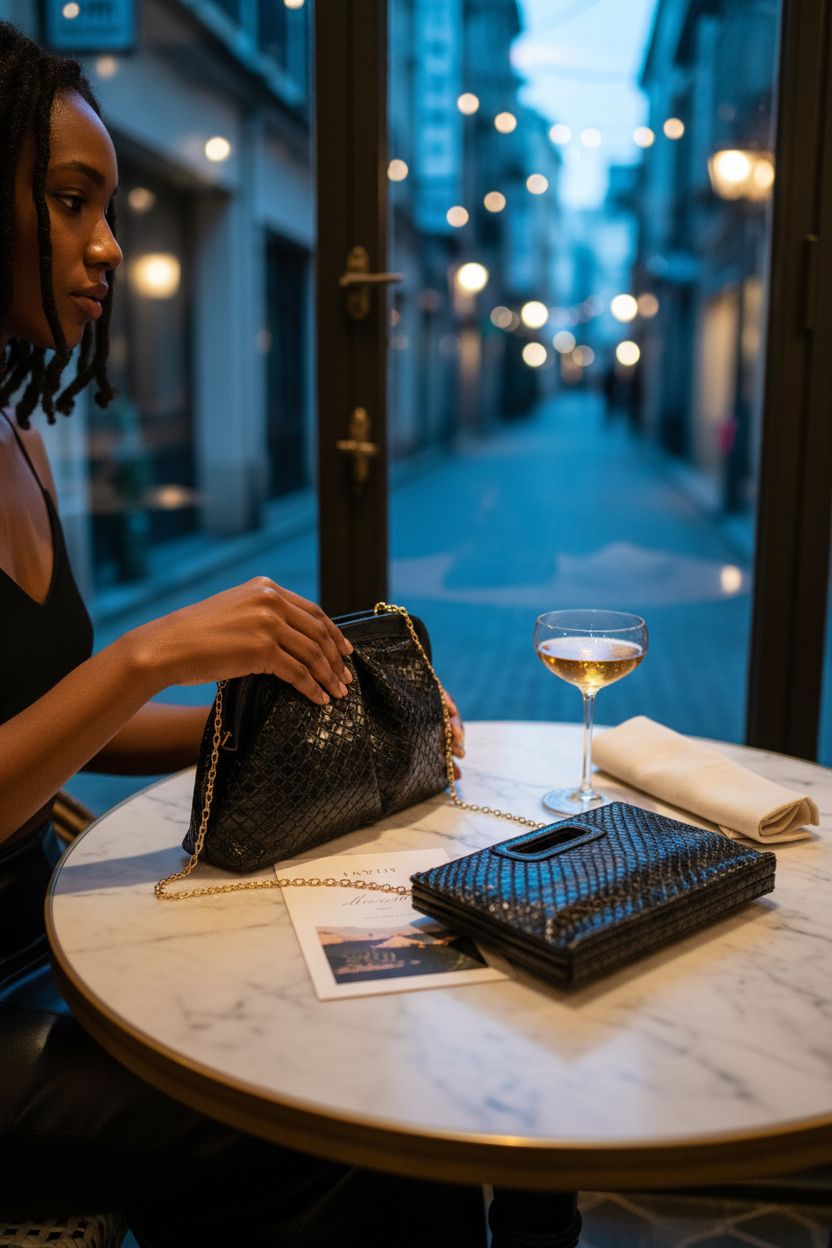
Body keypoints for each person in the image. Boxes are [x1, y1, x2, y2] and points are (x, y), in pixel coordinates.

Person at [0, 23, 476, 1247]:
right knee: (360, 1121)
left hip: (54, 939)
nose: (108, 242)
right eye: (68, 201)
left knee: (395, 1027)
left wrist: (279, 708)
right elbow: (84, 704)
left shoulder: (20, 442)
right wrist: (151, 653)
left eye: (108, 205)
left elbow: (54, 732)